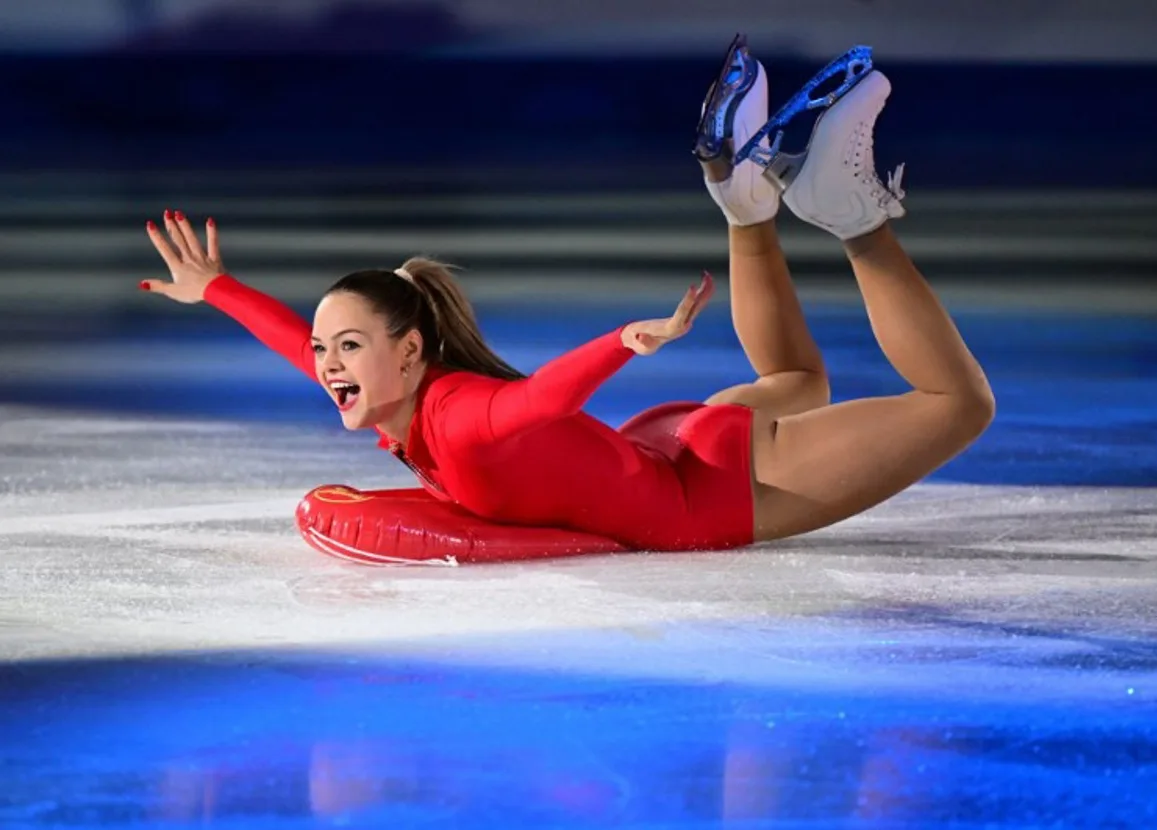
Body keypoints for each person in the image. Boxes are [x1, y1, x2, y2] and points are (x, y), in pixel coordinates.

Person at [140, 36, 993, 556]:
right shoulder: (394, 390)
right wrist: (217, 288)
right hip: (671, 451)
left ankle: (855, 222)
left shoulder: (457, 416)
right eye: (328, 352)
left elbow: (537, 401)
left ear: (408, 351)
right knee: (803, 382)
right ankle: (744, 204)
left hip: (706, 495)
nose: (325, 366)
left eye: (347, 349)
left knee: (958, 406)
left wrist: (622, 341)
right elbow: (296, 340)